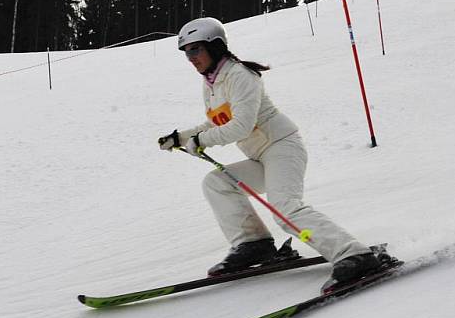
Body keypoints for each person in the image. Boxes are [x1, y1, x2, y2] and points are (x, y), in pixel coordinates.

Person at [158, 17, 393, 291]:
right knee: (217, 183)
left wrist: (201, 141)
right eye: (186, 52)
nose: (190, 58)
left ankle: (354, 255)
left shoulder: (240, 75)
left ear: (216, 46)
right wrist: (183, 137)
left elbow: (241, 125)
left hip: (281, 147)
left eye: (195, 49)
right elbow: (217, 123)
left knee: (285, 208)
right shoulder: (212, 83)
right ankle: (253, 244)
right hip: (260, 156)